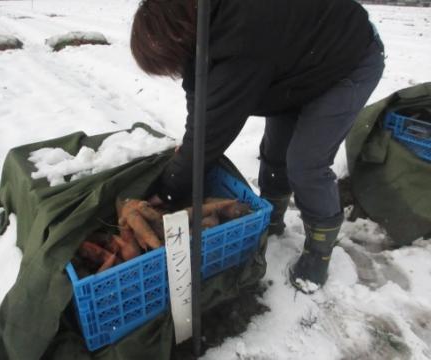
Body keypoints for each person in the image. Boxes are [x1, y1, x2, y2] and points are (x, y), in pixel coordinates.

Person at [130, 0, 384, 293]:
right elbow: (200, 96)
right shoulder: (205, 22)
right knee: (276, 153)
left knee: (306, 164)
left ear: (175, 35)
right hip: (298, 63)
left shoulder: (240, 38)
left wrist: (170, 188)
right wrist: (188, 148)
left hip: (348, 61)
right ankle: (272, 222)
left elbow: (210, 130)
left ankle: (319, 251)